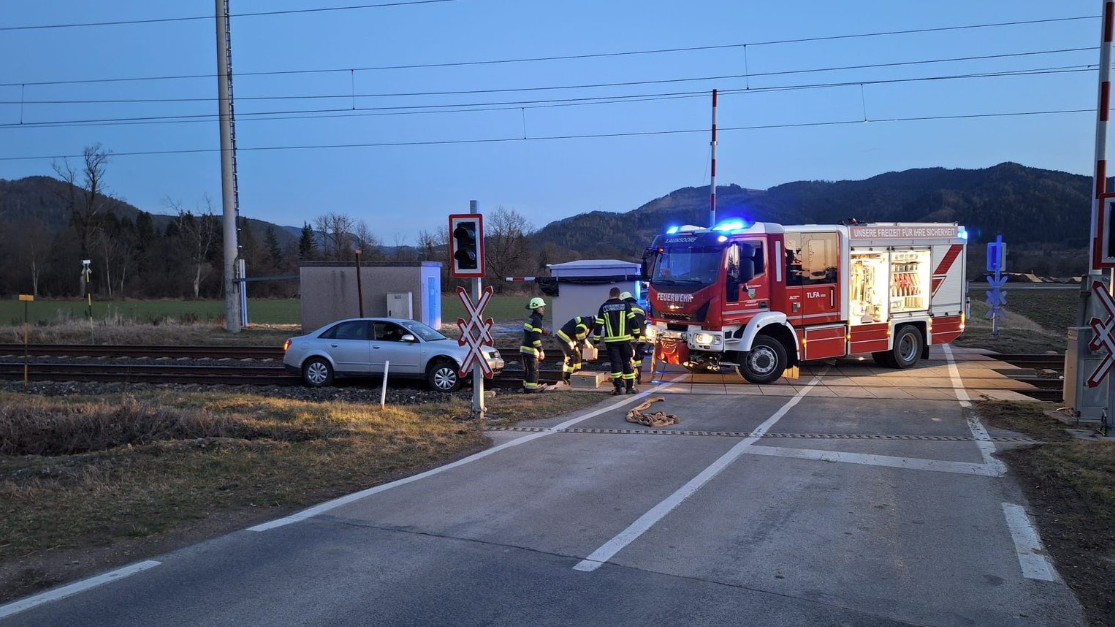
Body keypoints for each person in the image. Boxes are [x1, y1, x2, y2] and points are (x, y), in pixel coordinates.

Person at [596, 287, 638, 395]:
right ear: (619, 295)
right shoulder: (625, 305)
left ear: (609, 295)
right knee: (627, 362)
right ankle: (630, 388)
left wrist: (596, 341)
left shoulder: (603, 307)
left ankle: (619, 388)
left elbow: (598, 325)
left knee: (615, 364)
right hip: (625, 340)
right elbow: (633, 321)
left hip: (611, 341)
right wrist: (636, 335)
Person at [556, 314, 597, 385]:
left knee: (577, 355)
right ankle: (566, 377)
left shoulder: (588, 322)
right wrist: (584, 343)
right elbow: (579, 331)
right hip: (564, 337)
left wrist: (587, 343)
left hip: (571, 338)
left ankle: (575, 374)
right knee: (570, 356)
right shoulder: (587, 323)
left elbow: (581, 334)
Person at [520, 297, 549, 393]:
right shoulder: (537, 320)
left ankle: (527, 388)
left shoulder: (531, 318)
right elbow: (535, 338)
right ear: (536, 308)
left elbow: (530, 331)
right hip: (531, 350)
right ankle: (532, 390)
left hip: (524, 348)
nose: (543, 308)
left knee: (527, 371)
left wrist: (542, 330)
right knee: (533, 371)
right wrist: (540, 350)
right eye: (541, 307)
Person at [621, 291, 647, 384]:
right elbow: (644, 322)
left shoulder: (626, 307)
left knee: (628, 357)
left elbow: (625, 322)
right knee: (637, 357)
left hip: (631, 336)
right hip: (642, 337)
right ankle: (639, 376)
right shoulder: (640, 307)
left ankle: (629, 378)